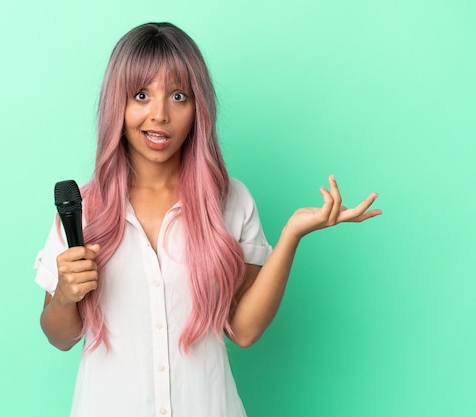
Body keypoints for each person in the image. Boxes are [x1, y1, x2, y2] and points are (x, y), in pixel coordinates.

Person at [34, 22, 381, 417]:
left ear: (198, 107)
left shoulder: (230, 201)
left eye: (178, 95)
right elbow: (60, 337)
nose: (160, 114)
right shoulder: (82, 207)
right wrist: (65, 294)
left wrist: (291, 236)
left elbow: (245, 331)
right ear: (119, 104)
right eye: (141, 95)